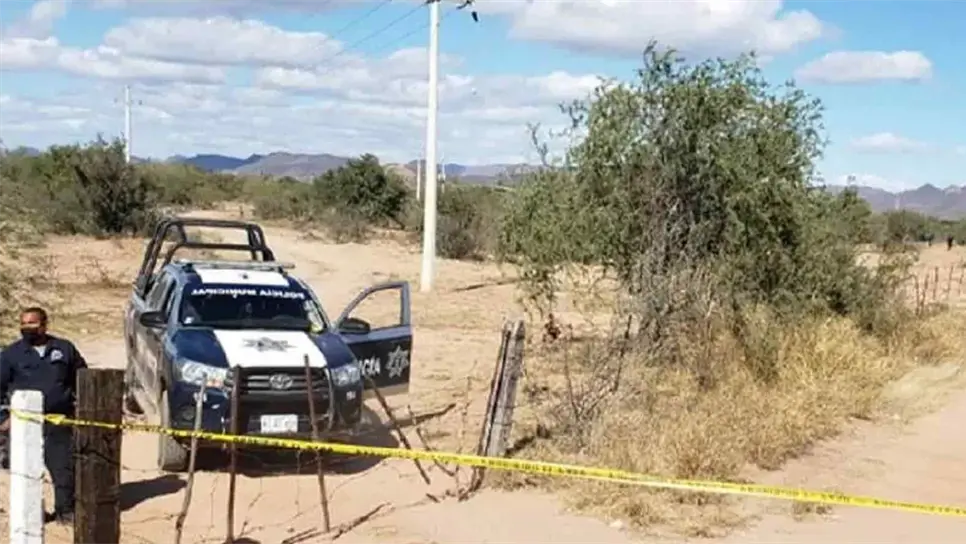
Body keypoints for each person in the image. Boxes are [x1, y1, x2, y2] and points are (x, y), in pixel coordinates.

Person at [0, 307, 87, 524]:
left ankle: (65, 511)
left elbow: (82, 378)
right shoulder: (11, 355)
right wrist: (3, 419)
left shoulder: (64, 349)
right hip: (23, 423)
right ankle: (32, 515)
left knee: (63, 467)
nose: (27, 328)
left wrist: (79, 410)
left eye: (32, 323)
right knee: (26, 470)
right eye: (24, 324)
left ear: (44, 324)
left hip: (58, 420)